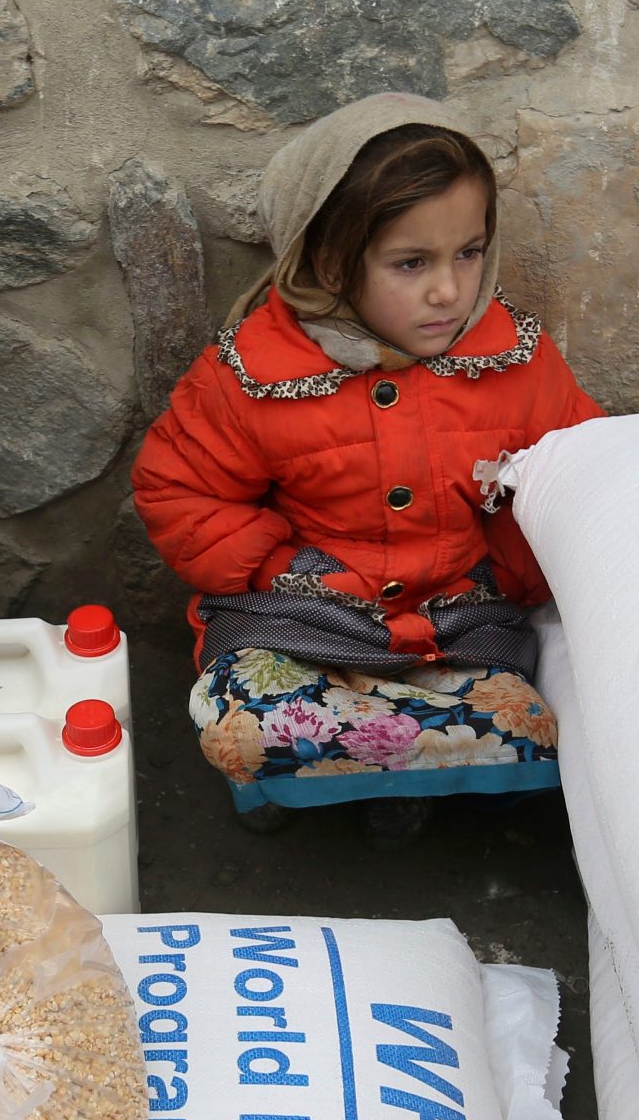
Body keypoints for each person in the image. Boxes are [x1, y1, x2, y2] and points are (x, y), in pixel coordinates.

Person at [132, 93, 603, 834]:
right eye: (411, 263)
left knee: (538, 731)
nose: (449, 290)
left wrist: (509, 571)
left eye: (468, 253)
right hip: (304, 615)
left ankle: (389, 782)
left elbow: (581, 474)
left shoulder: (515, 362)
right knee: (248, 724)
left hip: (459, 616)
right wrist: (273, 570)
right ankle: (314, 786)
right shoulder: (255, 372)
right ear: (330, 260)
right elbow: (178, 487)